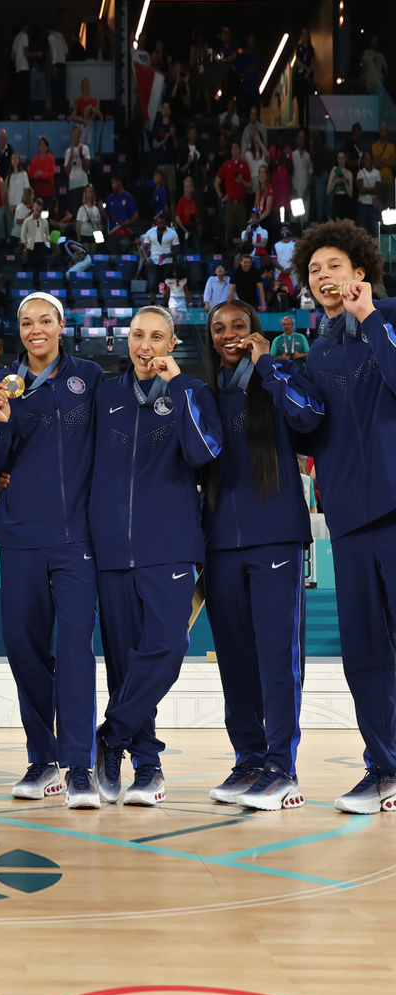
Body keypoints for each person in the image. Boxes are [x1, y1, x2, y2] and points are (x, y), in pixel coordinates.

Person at [90, 306, 222, 806]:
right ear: (127, 340)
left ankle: (110, 736)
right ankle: (147, 766)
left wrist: (182, 386)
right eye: (138, 335)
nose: (146, 345)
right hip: (110, 549)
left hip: (168, 546)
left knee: (167, 648)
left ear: (171, 344)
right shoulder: (106, 395)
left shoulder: (192, 393)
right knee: (125, 664)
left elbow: (203, 452)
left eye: (157, 337)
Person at [0, 292, 103, 806]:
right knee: (25, 650)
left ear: (60, 324)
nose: (36, 330)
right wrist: (0, 424)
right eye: (26, 322)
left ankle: (79, 765)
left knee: (74, 651)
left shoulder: (90, 377)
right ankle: (42, 759)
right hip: (21, 537)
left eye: (44, 321)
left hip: (77, 540)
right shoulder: (2, 385)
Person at [199, 301, 324, 809]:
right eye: (218, 329)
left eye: (239, 327)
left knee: (277, 659)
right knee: (235, 662)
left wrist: (269, 363)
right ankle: (249, 758)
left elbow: (310, 417)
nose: (229, 336)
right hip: (221, 545)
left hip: (274, 538)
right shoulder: (205, 395)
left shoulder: (280, 377)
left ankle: (282, 768)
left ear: (255, 332)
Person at [290, 221, 396, 812]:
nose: (324, 276)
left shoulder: (392, 317)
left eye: (334, 265)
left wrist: (371, 318)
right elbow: (313, 430)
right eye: (313, 270)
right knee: (364, 655)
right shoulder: (320, 351)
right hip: (350, 522)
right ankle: (384, 769)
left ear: (360, 271)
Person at [215, 142, 253, 245]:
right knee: (229, 232)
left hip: (241, 204)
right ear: (231, 150)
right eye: (233, 147)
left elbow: (250, 185)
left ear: (240, 150)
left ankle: (242, 255)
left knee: (242, 233)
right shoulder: (226, 165)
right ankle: (229, 254)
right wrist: (222, 197)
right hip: (230, 204)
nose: (235, 150)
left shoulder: (244, 165)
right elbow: (216, 182)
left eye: (236, 147)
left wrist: (242, 181)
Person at [293, 29, 314, 132]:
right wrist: (306, 69)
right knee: (301, 102)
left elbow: (313, 62)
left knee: (308, 102)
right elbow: (298, 62)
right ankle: (301, 125)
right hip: (300, 78)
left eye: (306, 34)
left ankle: (309, 124)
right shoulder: (299, 48)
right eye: (303, 34)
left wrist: (309, 72)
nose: (304, 36)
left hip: (308, 79)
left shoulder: (311, 49)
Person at [327, 150, 355, 222]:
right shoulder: (334, 170)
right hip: (336, 199)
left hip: (345, 200)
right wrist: (335, 182)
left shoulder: (349, 174)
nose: (341, 161)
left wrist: (345, 183)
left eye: (343, 158)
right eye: (339, 158)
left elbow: (350, 194)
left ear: (345, 159)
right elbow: (328, 191)